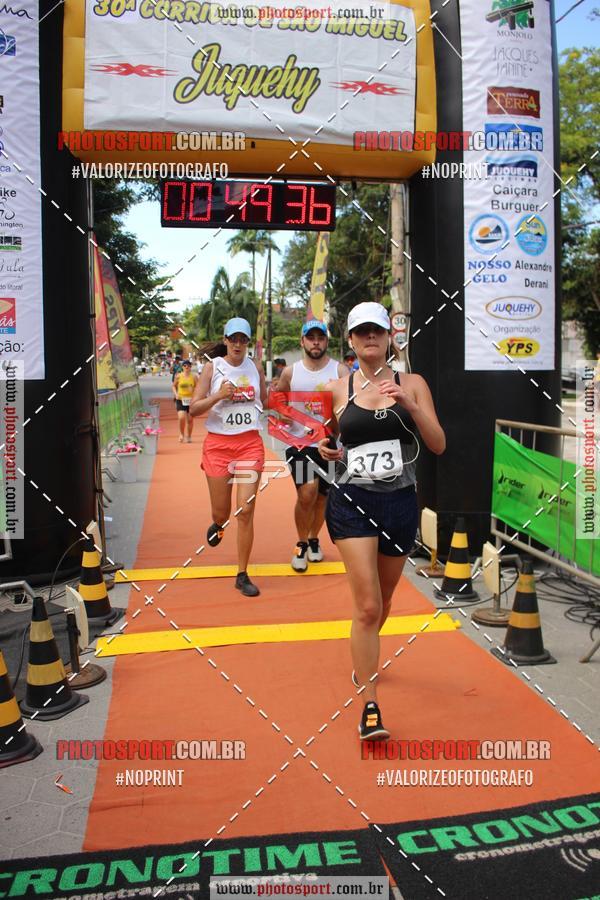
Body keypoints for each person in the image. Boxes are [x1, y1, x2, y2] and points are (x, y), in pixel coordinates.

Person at [318, 302, 445, 740]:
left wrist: (411, 404)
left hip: (400, 503)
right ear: (351, 341)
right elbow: (328, 440)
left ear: (389, 336)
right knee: (368, 605)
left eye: (377, 330)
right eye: (362, 331)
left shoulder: (413, 382)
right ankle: (370, 703)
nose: (370, 337)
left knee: (384, 602)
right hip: (352, 500)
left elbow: (438, 443)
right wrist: (327, 450)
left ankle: (364, 655)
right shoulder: (338, 388)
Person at [190, 318, 267, 598]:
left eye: (243, 339)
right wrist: (219, 396)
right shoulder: (213, 367)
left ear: (248, 342)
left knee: (245, 510)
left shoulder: (255, 367)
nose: (237, 344)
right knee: (222, 513)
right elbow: (194, 409)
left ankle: (242, 574)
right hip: (219, 447)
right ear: (225, 339)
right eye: (233, 339)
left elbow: (266, 401)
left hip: (249, 445)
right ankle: (218, 524)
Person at [276, 320, 348, 572]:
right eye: (311, 337)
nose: (315, 342)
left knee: (321, 497)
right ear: (302, 341)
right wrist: (282, 412)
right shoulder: (290, 372)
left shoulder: (340, 371)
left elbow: (349, 404)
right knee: (307, 493)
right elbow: (278, 398)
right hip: (300, 444)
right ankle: (300, 543)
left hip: (329, 443)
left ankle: (314, 539)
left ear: (327, 341)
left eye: (320, 337)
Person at [172, 359, 198, 443]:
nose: (187, 367)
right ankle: (181, 434)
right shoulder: (179, 376)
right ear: (182, 367)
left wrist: (195, 394)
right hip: (180, 399)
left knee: (190, 419)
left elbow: (198, 387)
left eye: (189, 366)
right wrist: (176, 394)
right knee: (181, 417)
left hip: (191, 400)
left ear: (191, 367)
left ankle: (189, 436)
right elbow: (173, 386)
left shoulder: (194, 377)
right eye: (185, 366)